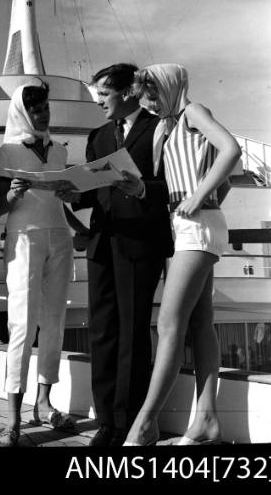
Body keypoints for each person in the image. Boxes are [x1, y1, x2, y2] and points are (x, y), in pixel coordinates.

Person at [122, 63, 241, 446]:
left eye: (153, 94)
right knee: (198, 325)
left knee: (169, 326)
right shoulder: (170, 125)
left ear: (171, 86)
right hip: (190, 225)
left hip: (196, 226)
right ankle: (207, 423)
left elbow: (231, 150)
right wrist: (206, 196)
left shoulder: (193, 112)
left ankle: (145, 424)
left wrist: (199, 197)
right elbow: (226, 172)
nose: (150, 103)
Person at [56, 63, 174, 446]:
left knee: (132, 331)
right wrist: (73, 193)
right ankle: (106, 419)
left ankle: (127, 423)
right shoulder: (99, 135)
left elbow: (171, 186)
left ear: (127, 93)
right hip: (103, 240)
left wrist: (141, 189)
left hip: (142, 241)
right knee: (103, 330)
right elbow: (95, 190)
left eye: (104, 94)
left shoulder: (159, 129)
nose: (99, 102)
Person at [0, 81, 89, 447]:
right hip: (25, 235)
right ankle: (12, 417)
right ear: (21, 112)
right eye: (35, 109)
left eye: (45, 107)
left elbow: (63, 202)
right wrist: (12, 195)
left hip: (59, 237)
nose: (42, 114)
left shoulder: (60, 152)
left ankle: (44, 402)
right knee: (22, 323)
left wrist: (82, 225)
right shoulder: (7, 152)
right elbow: (2, 205)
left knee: (55, 320)